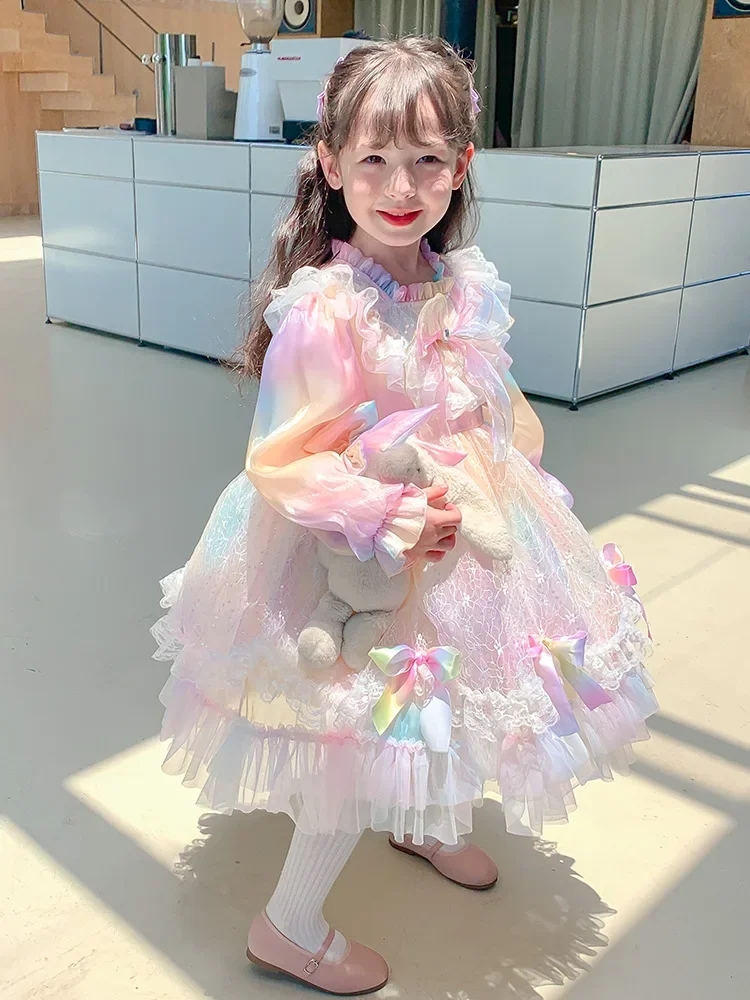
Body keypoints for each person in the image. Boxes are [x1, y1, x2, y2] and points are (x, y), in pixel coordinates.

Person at [152, 36, 656, 994]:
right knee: (351, 730)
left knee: (444, 691)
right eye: (375, 158)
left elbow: (494, 394)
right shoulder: (327, 306)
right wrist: (384, 514)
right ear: (331, 162)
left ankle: (423, 819)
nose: (401, 184)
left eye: (428, 159)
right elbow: (282, 460)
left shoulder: (464, 280)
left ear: (461, 165)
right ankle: (289, 923)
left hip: (464, 523)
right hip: (354, 548)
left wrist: (516, 474)